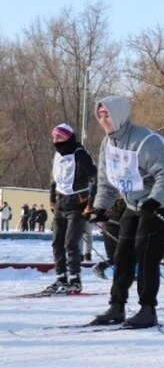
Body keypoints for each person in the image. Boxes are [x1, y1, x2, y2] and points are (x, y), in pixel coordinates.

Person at [87, 95, 164, 328]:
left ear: (118, 114)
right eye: (100, 116)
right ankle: (117, 306)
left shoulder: (146, 141)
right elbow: (106, 182)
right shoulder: (108, 144)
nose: (104, 120)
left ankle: (148, 309)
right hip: (132, 204)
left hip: (156, 203)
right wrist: (99, 208)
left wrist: (155, 201)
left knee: (146, 255)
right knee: (122, 255)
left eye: (107, 115)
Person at [43, 123, 97, 294]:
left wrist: (91, 204)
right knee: (57, 242)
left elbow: (95, 178)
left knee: (71, 243)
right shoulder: (58, 155)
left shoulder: (80, 154)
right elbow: (54, 179)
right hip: (61, 202)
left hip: (77, 204)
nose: (55, 140)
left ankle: (75, 278)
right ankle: (61, 277)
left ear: (68, 137)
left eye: (59, 137)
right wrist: (52, 198)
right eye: (54, 137)